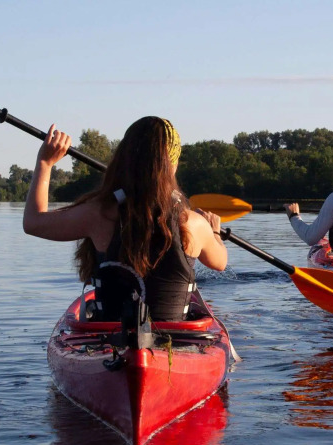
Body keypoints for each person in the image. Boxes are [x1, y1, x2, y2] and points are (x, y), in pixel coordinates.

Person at [23, 116, 227, 321]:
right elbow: (220, 263)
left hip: (109, 342)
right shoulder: (193, 223)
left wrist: (45, 163)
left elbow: (33, 222)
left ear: (124, 158)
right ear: (173, 165)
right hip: (178, 342)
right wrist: (214, 232)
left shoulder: (98, 214)